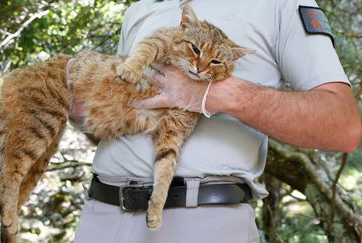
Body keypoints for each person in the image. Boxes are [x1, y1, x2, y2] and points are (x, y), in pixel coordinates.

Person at [70, 0, 362, 242]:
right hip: (100, 213)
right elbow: (117, 122)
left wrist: (211, 93)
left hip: (201, 219)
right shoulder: (142, 8)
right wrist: (82, 110)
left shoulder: (280, 4)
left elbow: (343, 126)